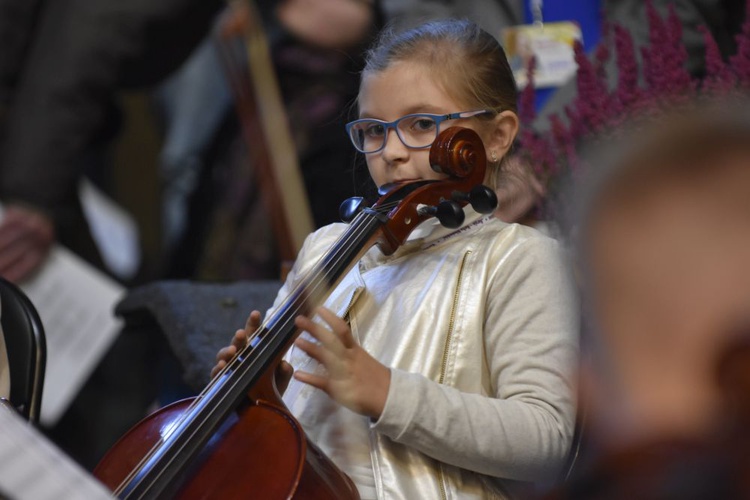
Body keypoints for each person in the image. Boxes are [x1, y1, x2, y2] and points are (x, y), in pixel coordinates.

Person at [213, 19, 578, 499]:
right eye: (373, 131)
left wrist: (387, 391)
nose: (391, 153)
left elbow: (545, 439)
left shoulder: (519, 258)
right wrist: (268, 392)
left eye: (422, 125)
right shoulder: (327, 249)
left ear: (497, 136)